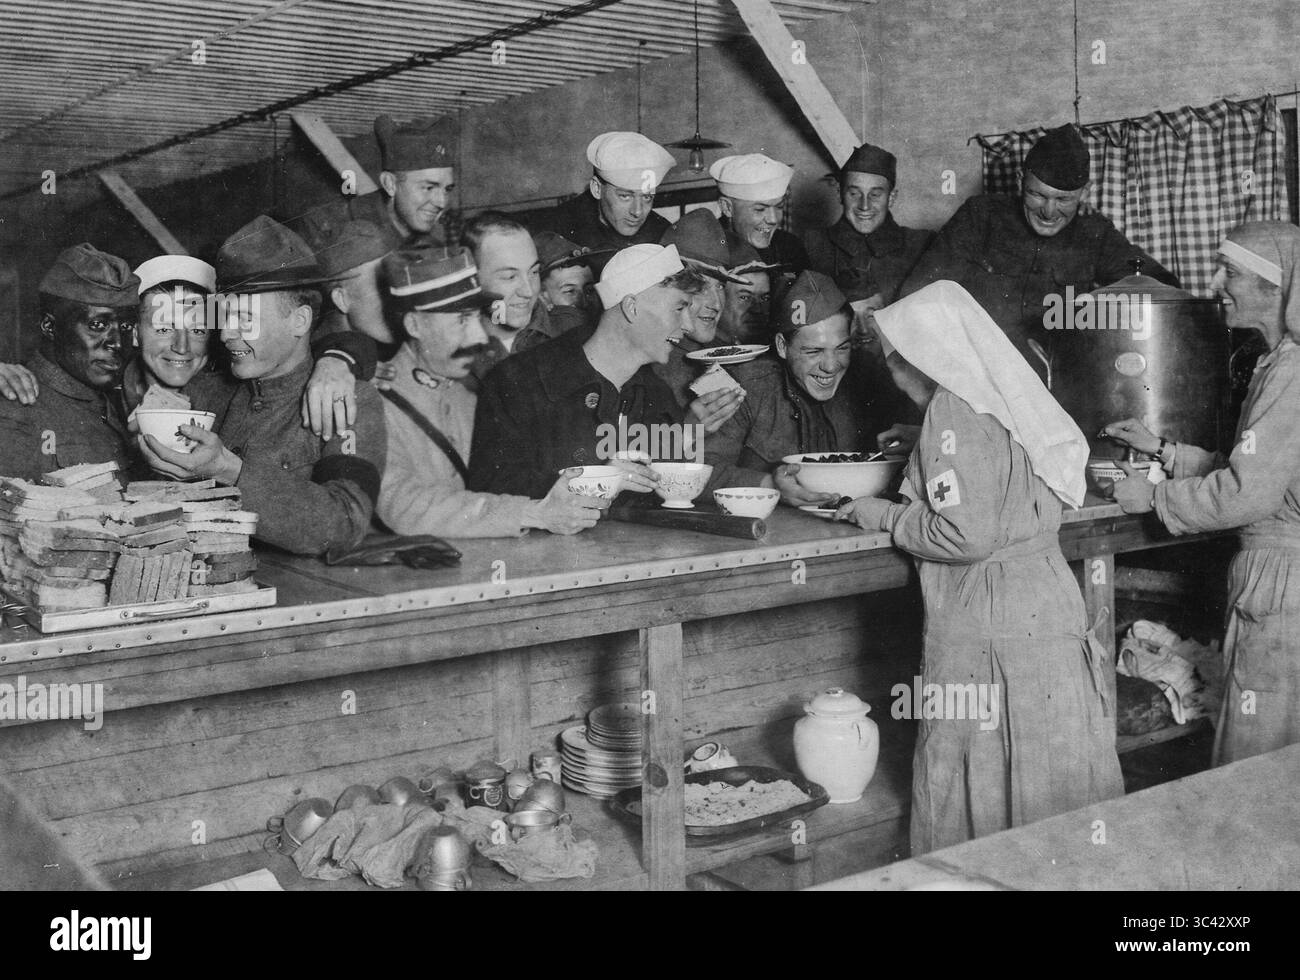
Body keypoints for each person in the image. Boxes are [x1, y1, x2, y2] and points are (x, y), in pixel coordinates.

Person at [837, 279, 1123, 854]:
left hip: (988, 612)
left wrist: (880, 514)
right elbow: (999, 455)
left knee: (980, 774)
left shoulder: (951, 410)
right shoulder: (999, 392)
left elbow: (964, 534)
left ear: (916, 357)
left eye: (893, 356)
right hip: (1046, 601)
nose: (891, 369)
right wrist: (925, 443)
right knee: (1051, 774)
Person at [1103, 221, 1300, 767]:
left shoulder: (1292, 371)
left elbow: (1244, 495)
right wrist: (1165, 449)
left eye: (1230, 271)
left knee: (1258, 762)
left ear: (1274, 287)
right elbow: (1262, 472)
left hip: (1284, 590)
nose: (1215, 282)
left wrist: (1155, 499)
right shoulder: (1279, 361)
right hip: (1285, 581)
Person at [137, 216, 386, 558]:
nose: (226, 334)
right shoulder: (204, 390)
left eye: (245, 319)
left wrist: (230, 469)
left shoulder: (347, 399)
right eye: (222, 317)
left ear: (299, 321)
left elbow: (345, 524)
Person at [0, 253, 369, 444]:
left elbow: (302, 348)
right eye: (163, 327)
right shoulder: (101, 384)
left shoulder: (236, 387)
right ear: (136, 332)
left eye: (197, 327)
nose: (181, 346)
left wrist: (339, 359)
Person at [467, 244, 742, 498]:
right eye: (679, 308)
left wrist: (686, 435)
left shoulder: (656, 394)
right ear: (631, 308)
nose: (687, 325)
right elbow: (490, 488)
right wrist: (600, 479)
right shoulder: (519, 382)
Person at [901, 124, 1177, 371]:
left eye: (1064, 199)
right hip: (976, 378)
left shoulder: (1095, 232)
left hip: (1054, 389)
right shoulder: (980, 216)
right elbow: (918, 298)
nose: (1049, 211)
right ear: (1021, 180)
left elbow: (1161, 286)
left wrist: (1096, 309)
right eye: (1037, 194)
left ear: (1086, 192)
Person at [374, 247, 608, 538]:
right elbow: (403, 505)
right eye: (461, 320)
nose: (479, 336)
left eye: (476, 319)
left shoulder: (471, 395)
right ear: (414, 324)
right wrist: (531, 512)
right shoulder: (373, 400)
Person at [703, 271, 882, 505]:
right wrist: (769, 485)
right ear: (782, 346)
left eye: (842, 349)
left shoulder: (866, 381)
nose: (830, 366)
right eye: (813, 351)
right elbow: (695, 472)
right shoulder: (738, 384)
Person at [0, 244, 138, 479]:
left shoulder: (109, 400)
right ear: (49, 326)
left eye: (125, 326)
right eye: (98, 325)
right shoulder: (15, 407)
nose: (117, 342)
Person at [458, 213, 587, 385]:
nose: (528, 291)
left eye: (533, 272)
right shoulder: (453, 348)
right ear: (472, 280)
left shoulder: (574, 332)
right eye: (510, 277)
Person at [299, 114, 455, 254]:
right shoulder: (329, 229)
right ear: (390, 184)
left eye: (447, 189)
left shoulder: (433, 246)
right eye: (428, 188)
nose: (441, 202)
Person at [805, 141, 934, 310]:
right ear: (840, 193)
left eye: (875, 195)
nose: (864, 205)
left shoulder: (919, 245)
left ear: (892, 198)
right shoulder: (813, 245)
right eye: (854, 193)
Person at [654, 208, 748, 406]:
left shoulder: (721, 353)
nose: (716, 304)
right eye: (701, 287)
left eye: (720, 286)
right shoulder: (653, 365)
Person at [536, 131, 676, 254]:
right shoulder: (556, 229)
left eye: (647, 197)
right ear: (597, 189)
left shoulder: (663, 234)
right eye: (625, 196)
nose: (637, 212)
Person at [711, 153, 808, 285]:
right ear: (727, 207)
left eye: (779, 207)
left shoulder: (790, 247)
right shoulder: (706, 249)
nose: (773, 219)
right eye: (760, 209)